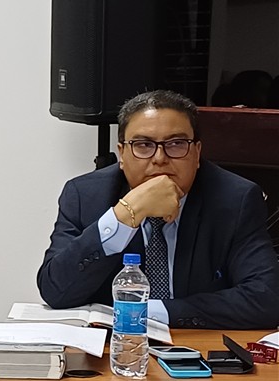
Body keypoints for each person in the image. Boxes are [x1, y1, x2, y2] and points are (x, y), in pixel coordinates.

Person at [38, 89, 279, 329]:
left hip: (195, 344)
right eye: (143, 145)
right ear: (122, 154)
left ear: (197, 153)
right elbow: (55, 291)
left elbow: (267, 299)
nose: (160, 158)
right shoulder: (85, 196)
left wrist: (151, 312)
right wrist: (125, 214)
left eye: (176, 144)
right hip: (114, 346)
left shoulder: (235, 199)